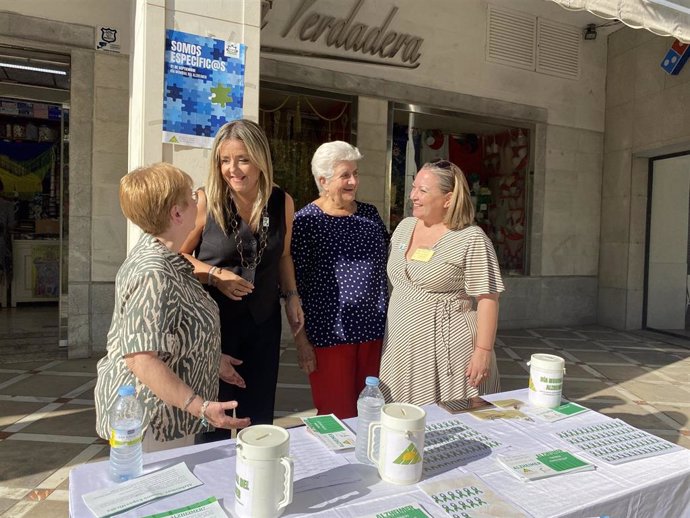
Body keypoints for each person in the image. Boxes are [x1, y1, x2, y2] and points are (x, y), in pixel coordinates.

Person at [94, 163, 250, 452]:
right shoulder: (153, 271)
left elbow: (171, 331)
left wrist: (211, 358)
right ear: (176, 214)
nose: (198, 200)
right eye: (191, 196)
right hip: (152, 420)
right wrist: (201, 407)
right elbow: (141, 358)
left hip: (168, 415)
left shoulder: (169, 259)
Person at [181, 119, 303, 439]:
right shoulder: (206, 201)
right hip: (214, 328)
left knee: (260, 420)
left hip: (263, 323)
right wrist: (214, 274)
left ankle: (256, 484)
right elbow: (176, 256)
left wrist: (291, 296)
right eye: (225, 160)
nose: (232, 169)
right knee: (214, 423)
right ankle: (212, 485)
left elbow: (285, 255)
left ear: (260, 159)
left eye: (242, 159)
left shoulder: (282, 202)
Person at [379, 159, 504, 406]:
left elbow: (488, 299)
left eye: (423, 191)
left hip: (448, 352)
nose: (413, 196)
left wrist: (483, 352)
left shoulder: (470, 238)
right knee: (404, 427)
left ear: (448, 199)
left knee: (456, 425)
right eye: (414, 187)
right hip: (401, 348)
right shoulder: (405, 227)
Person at [291, 141, 389, 419]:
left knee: (374, 413)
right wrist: (301, 343)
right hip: (330, 336)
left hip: (374, 330)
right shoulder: (305, 222)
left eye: (355, 173)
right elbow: (292, 288)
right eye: (345, 175)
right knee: (338, 415)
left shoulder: (369, 214)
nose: (353, 181)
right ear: (323, 180)